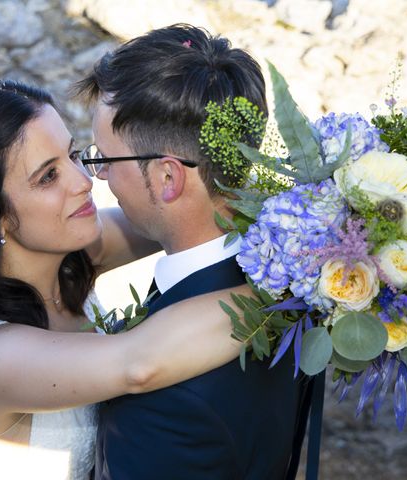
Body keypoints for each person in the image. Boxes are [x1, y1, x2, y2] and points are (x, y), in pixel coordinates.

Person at [0, 78, 249, 480]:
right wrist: (290, 277)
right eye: (48, 177)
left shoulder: (71, 259)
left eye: (72, 155)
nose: (83, 181)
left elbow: (180, 213)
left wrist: (311, 211)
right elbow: (139, 364)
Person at [75, 24, 312, 479]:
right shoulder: (289, 281)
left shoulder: (167, 400)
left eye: (104, 157)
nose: (97, 176)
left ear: (168, 178)